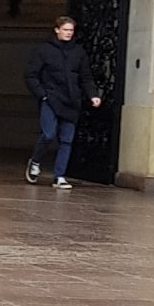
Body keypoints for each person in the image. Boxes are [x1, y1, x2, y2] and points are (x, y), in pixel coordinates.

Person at [25, 15, 101, 189]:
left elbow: (86, 77)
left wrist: (93, 95)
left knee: (66, 140)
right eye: (65, 30)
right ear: (57, 30)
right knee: (48, 134)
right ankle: (35, 161)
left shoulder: (79, 52)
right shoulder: (43, 50)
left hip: (71, 101)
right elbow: (31, 75)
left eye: (71, 30)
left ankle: (59, 176)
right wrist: (42, 95)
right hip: (50, 98)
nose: (68, 33)